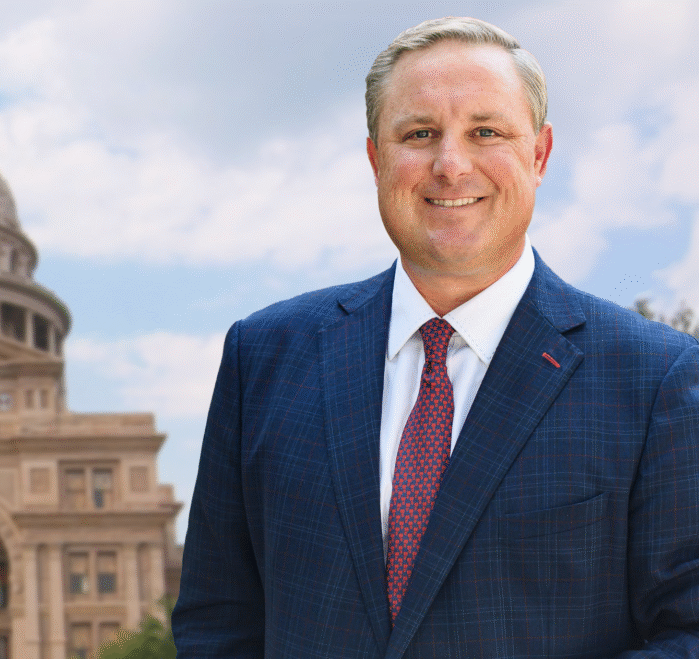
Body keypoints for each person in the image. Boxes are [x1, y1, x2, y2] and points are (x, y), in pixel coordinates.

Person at [171, 16, 699, 658]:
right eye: (419, 134)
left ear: (539, 155)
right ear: (375, 157)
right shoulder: (263, 357)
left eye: (486, 132)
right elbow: (217, 623)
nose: (451, 165)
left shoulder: (655, 378)